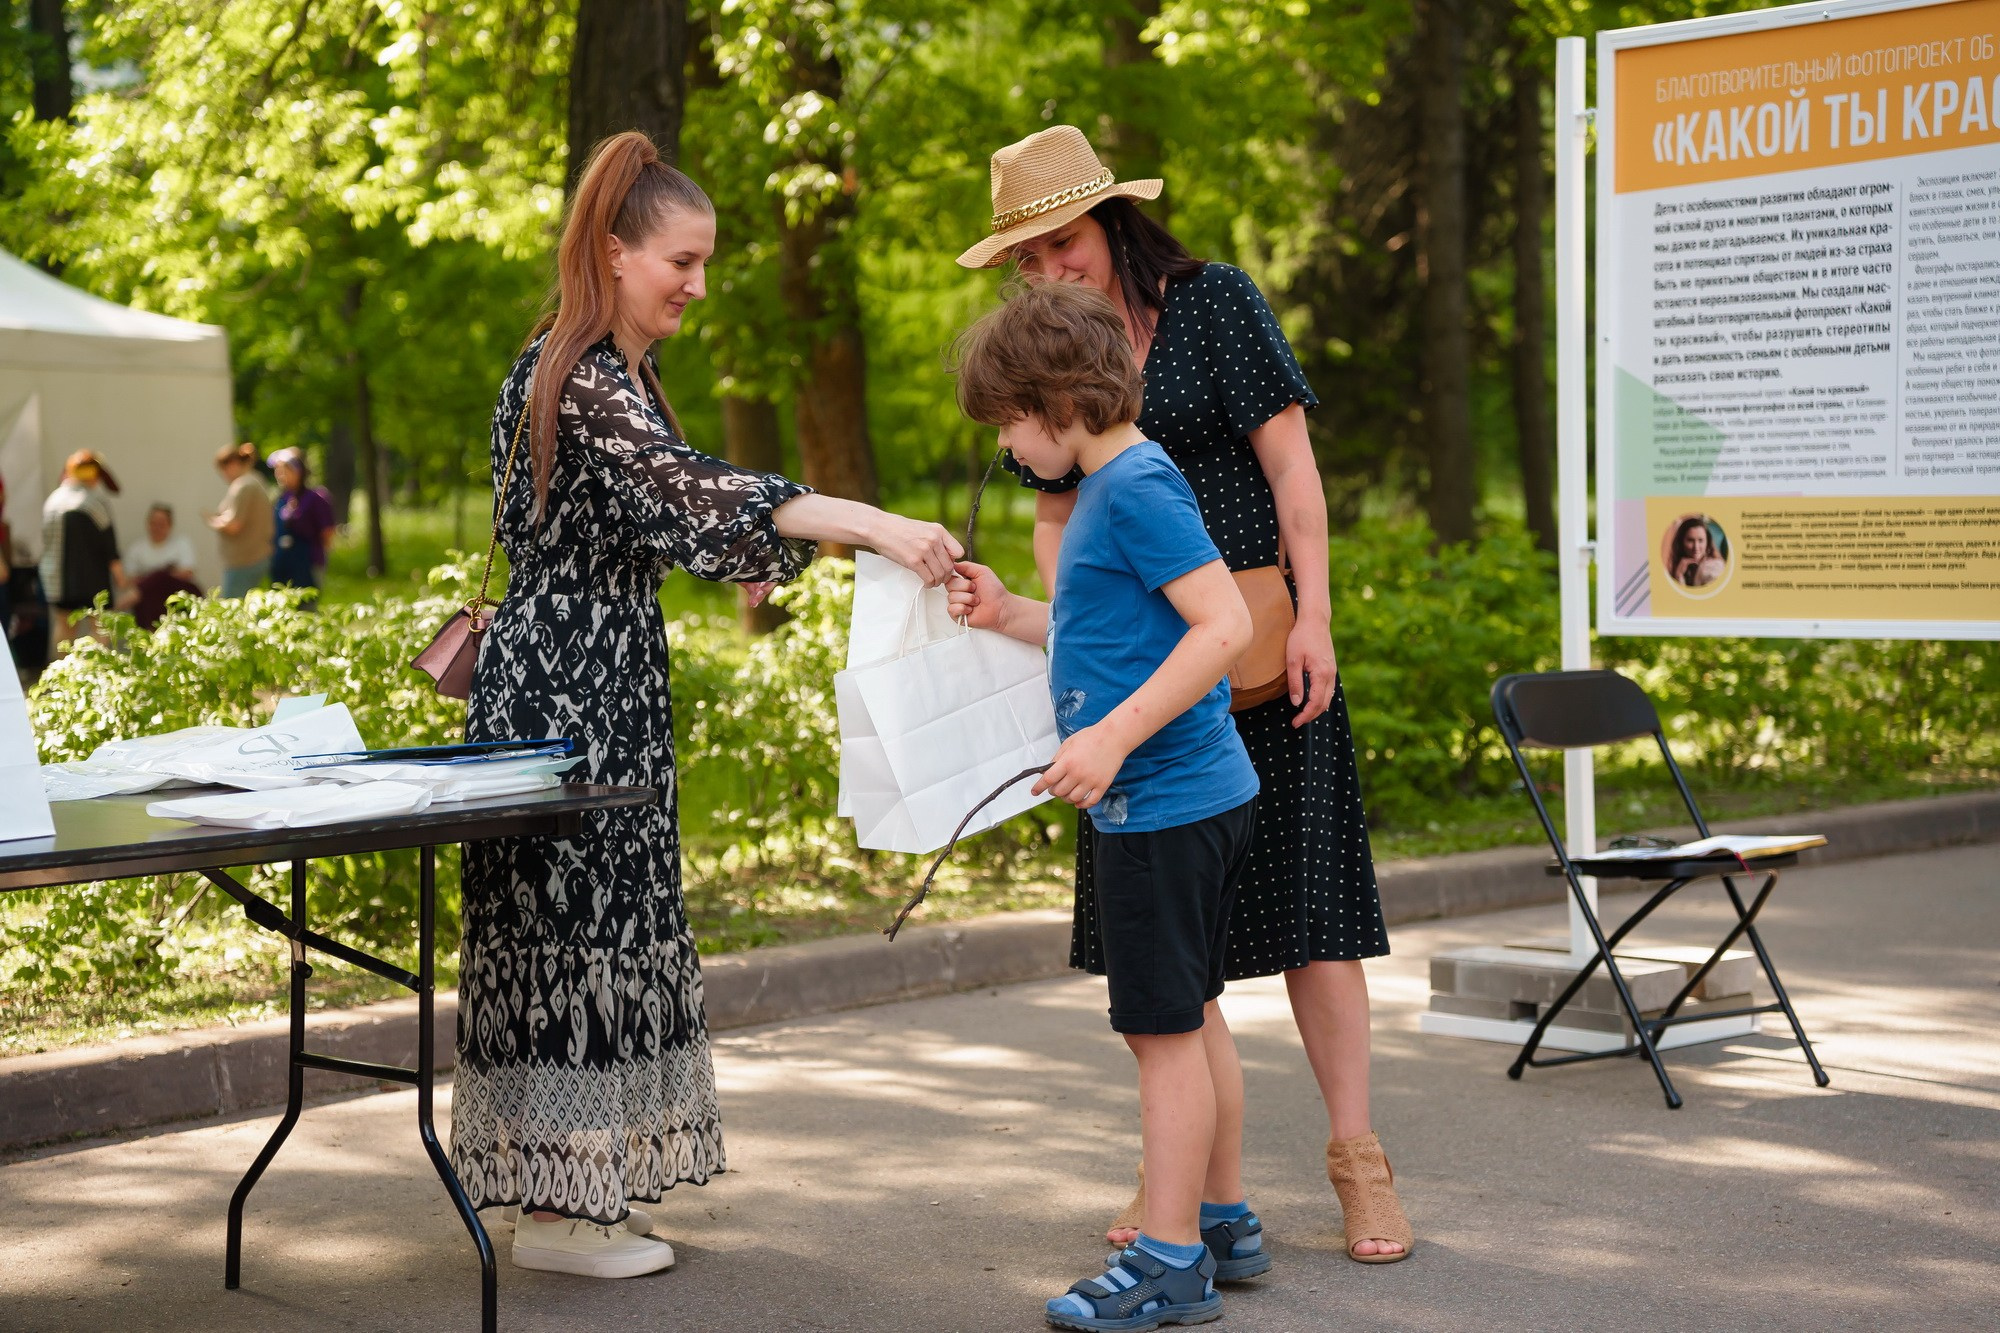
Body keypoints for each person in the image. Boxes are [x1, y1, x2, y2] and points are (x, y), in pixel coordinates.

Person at [452, 131, 963, 1282]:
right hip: (562, 689)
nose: (694, 283)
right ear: (614, 251)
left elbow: (671, 519)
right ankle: (554, 1212)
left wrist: (757, 550)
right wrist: (867, 520)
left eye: (705, 263)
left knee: (612, 918)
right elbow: (696, 492)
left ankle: (582, 1191)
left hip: (606, 672)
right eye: (678, 261)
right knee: (567, 926)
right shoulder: (578, 371)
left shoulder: (619, 374)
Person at [957, 125, 1413, 1263]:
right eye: (1028, 256)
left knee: (1311, 922)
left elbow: (1291, 468)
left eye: (1061, 241)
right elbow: (1051, 510)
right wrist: (1071, 641)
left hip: (1263, 647)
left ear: (1109, 221)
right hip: (1140, 695)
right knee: (1167, 954)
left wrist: (1312, 614)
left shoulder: (1215, 304)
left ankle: (1358, 1161)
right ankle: (1195, 1189)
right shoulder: (1046, 348)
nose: (1049, 268)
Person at [946, 280, 1262, 1331]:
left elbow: (1223, 628)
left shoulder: (1131, 488)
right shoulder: (1113, 490)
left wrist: (1112, 735)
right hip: (1186, 797)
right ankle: (1219, 1217)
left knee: (1161, 1033)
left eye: (1007, 422)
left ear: (1057, 401)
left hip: (1163, 801)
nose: (1007, 445)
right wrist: (1006, 612)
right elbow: (1107, 631)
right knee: (1194, 1009)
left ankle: (1170, 1262)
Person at [39, 450, 126, 646]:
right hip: (93, 580)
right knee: (99, 625)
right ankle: (95, 672)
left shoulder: (53, 501)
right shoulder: (95, 502)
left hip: (57, 580)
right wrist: (121, 578)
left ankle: (60, 672)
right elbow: (109, 546)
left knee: (64, 625)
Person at [121, 503, 202, 629]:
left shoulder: (182, 543)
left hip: (178, 596)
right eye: (154, 523)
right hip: (149, 600)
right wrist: (151, 582)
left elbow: (187, 572)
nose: (157, 527)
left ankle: (122, 603)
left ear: (170, 525)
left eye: (162, 523)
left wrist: (159, 577)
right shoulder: (137, 548)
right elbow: (131, 579)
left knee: (160, 576)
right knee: (152, 588)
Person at [267, 447, 337, 592]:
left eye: (285, 469)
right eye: (278, 470)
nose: (280, 475)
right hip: (283, 564)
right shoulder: (282, 498)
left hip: (309, 563)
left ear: (298, 470)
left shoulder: (316, 498)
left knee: (307, 608)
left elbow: (327, 532)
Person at [209, 442, 273, 597]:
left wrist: (214, 522)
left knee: (235, 612)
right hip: (256, 558)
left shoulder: (243, 486)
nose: (224, 476)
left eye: (223, 470)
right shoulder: (256, 479)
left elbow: (234, 525)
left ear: (232, 464)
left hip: (245, 561)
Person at [1670, 516, 1726, 588]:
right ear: (1681, 542)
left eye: (1700, 540)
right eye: (1690, 540)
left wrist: (1678, 576)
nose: (1696, 547)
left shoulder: (1713, 568)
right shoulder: (1684, 564)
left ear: (1707, 542)